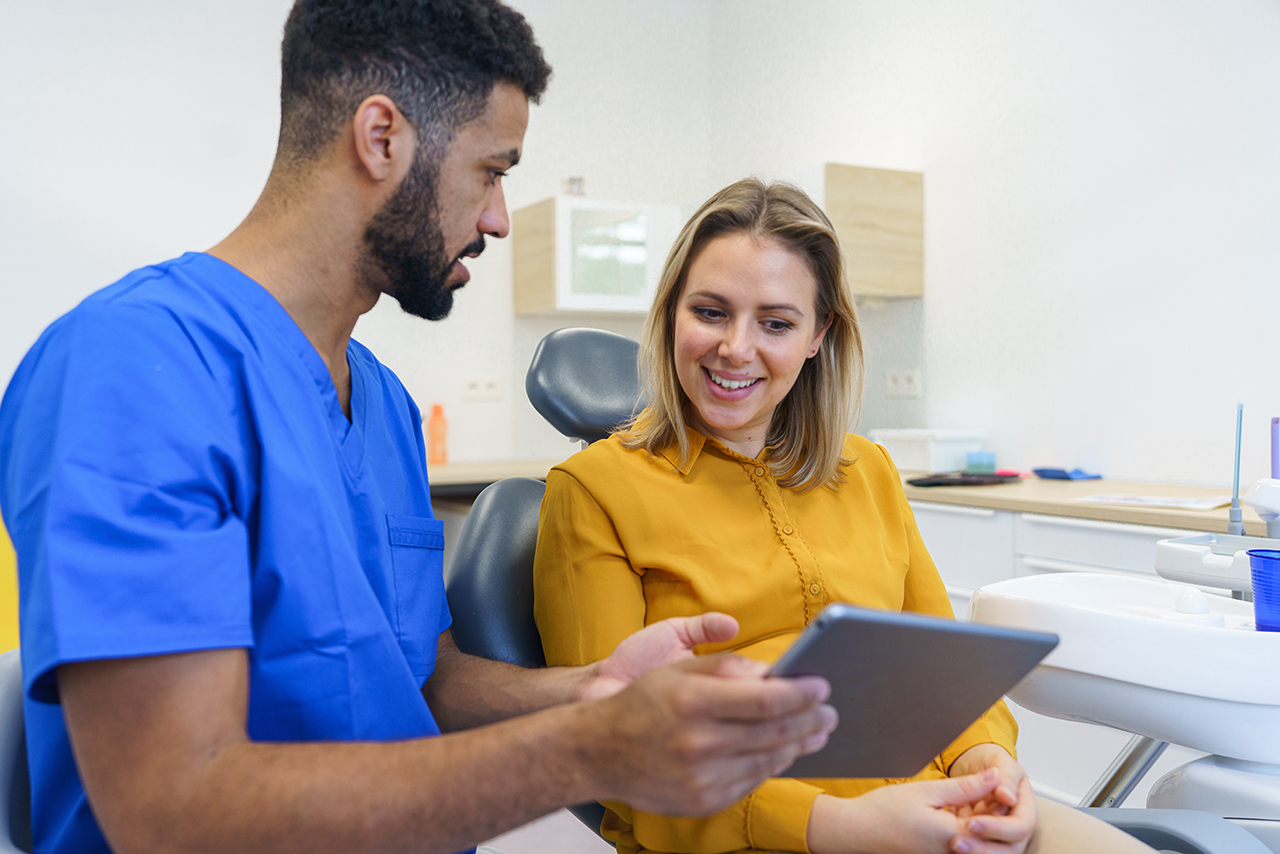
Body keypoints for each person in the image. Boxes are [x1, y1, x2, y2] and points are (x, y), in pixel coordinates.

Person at [0, 6, 844, 854]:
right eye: (490, 171)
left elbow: (424, 679)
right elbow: (169, 808)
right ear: (381, 139)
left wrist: (596, 689)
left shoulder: (384, 405)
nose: (500, 217)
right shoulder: (133, 370)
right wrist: (583, 750)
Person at [533, 178, 1158, 854]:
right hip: (740, 833)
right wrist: (835, 826)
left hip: (934, 806)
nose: (737, 349)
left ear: (816, 335)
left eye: (776, 323)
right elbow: (616, 753)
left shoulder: (869, 471)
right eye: (710, 312)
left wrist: (983, 758)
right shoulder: (592, 491)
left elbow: (942, 672)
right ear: (670, 313)